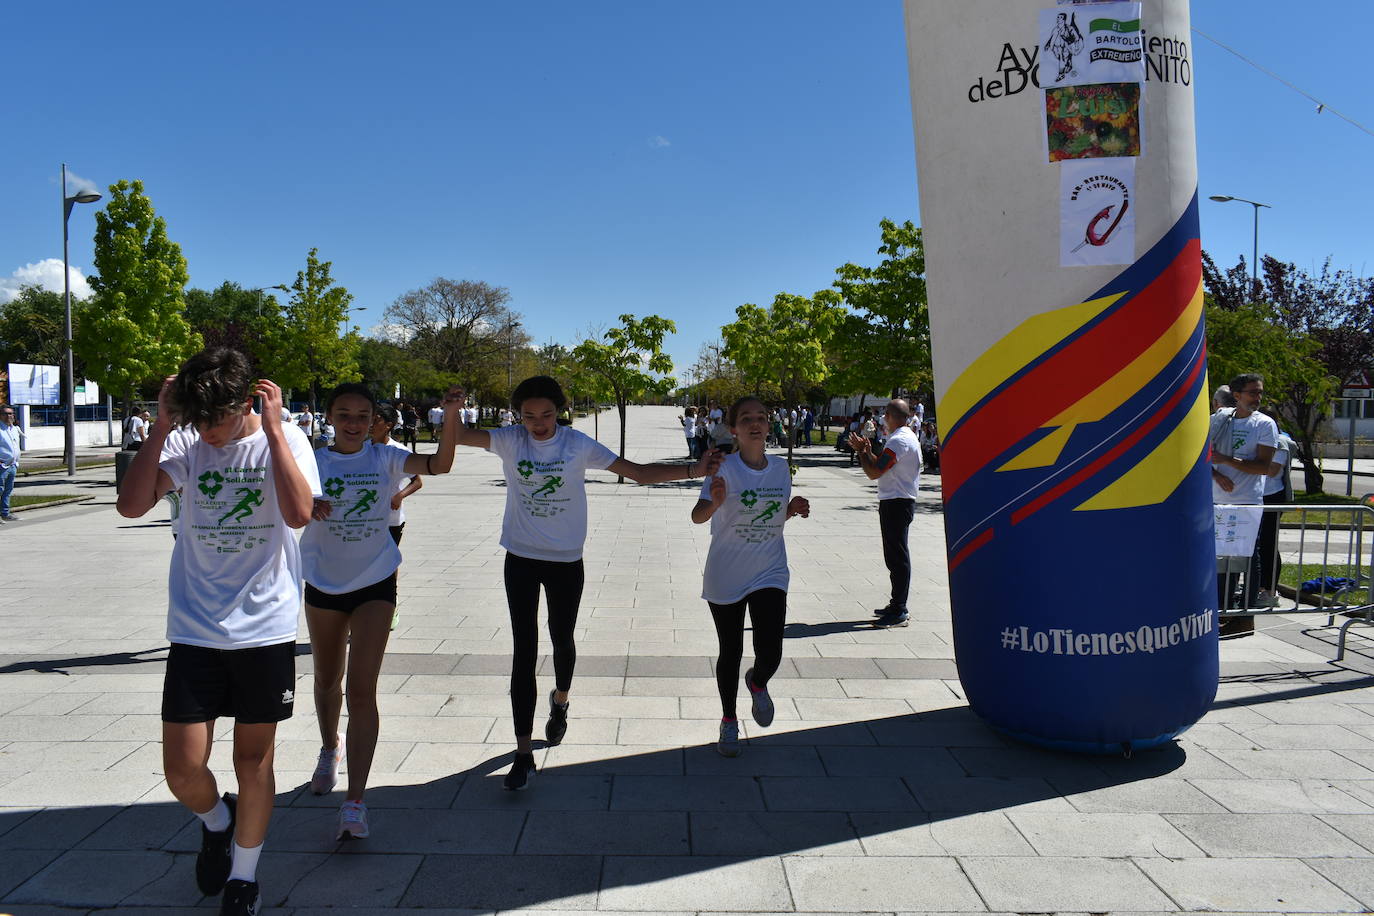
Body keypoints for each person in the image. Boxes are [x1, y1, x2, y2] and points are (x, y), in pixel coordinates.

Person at [115, 348, 321, 916]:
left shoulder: (287, 438)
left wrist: (275, 432)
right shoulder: (184, 442)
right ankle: (216, 821)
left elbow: (301, 513)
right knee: (182, 767)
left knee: (252, 762)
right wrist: (161, 427)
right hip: (195, 626)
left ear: (246, 401)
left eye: (216, 419)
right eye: (196, 418)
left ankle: (244, 877)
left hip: (264, 626)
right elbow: (132, 505)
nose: (206, 430)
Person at [447, 375, 721, 790]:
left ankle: (561, 701)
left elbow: (640, 474)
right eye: (528, 416)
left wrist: (693, 469)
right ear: (517, 416)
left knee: (562, 638)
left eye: (546, 415)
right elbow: (461, 436)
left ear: (560, 411)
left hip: (564, 562)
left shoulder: (577, 445)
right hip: (520, 558)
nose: (538, 424)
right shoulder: (509, 440)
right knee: (524, 649)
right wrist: (451, 411)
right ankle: (523, 755)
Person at [299, 382, 461, 841]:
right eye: (344, 413)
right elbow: (284, 506)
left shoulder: (386, 457)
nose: (353, 422)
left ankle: (354, 801)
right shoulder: (311, 461)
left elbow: (441, 465)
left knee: (361, 688)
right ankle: (329, 748)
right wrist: (307, 505)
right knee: (327, 679)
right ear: (328, 417)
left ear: (374, 420)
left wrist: (449, 415)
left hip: (376, 580)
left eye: (362, 415)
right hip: (324, 582)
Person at [692, 397, 809, 756]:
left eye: (761, 418)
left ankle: (758, 682)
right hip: (726, 573)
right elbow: (698, 516)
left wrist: (789, 510)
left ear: (769, 425)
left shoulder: (780, 469)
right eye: (746, 419)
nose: (755, 423)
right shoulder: (722, 468)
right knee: (731, 650)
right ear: (734, 429)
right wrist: (713, 503)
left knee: (770, 650)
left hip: (770, 570)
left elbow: (768, 517)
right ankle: (729, 720)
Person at [1210, 373, 1278, 634]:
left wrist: (1226, 461)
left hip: (1247, 501)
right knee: (1220, 558)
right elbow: (1201, 454)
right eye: (1252, 392)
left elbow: (1263, 466)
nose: (1257, 398)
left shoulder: (1264, 424)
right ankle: (1222, 611)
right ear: (1236, 395)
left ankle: (1245, 615)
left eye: (1259, 392)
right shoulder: (1218, 419)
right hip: (1216, 500)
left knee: (1247, 556)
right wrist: (1216, 473)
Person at [849, 399, 923, 628]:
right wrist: (869, 452)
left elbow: (874, 473)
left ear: (891, 416)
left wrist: (862, 453)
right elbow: (881, 467)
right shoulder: (905, 437)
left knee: (897, 557)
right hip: (897, 501)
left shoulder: (899, 441)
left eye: (885, 416)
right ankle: (896, 603)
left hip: (897, 503)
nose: (882, 420)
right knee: (894, 555)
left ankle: (900, 609)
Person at [1253, 406, 1296, 609]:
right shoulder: (1260, 440)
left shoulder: (1279, 442)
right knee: (1255, 545)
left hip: (1271, 498)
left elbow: (1271, 470)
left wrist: (1242, 463)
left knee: (1268, 544)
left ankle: (1269, 590)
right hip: (1255, 496)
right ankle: (1257, 587)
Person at [0, 404, 21, 522]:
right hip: (2, 465)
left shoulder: (14, 429)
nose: (9, 416)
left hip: (12, 465)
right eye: (6, 413)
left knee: (7, 490)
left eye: (11, 413)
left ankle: (5, 513)